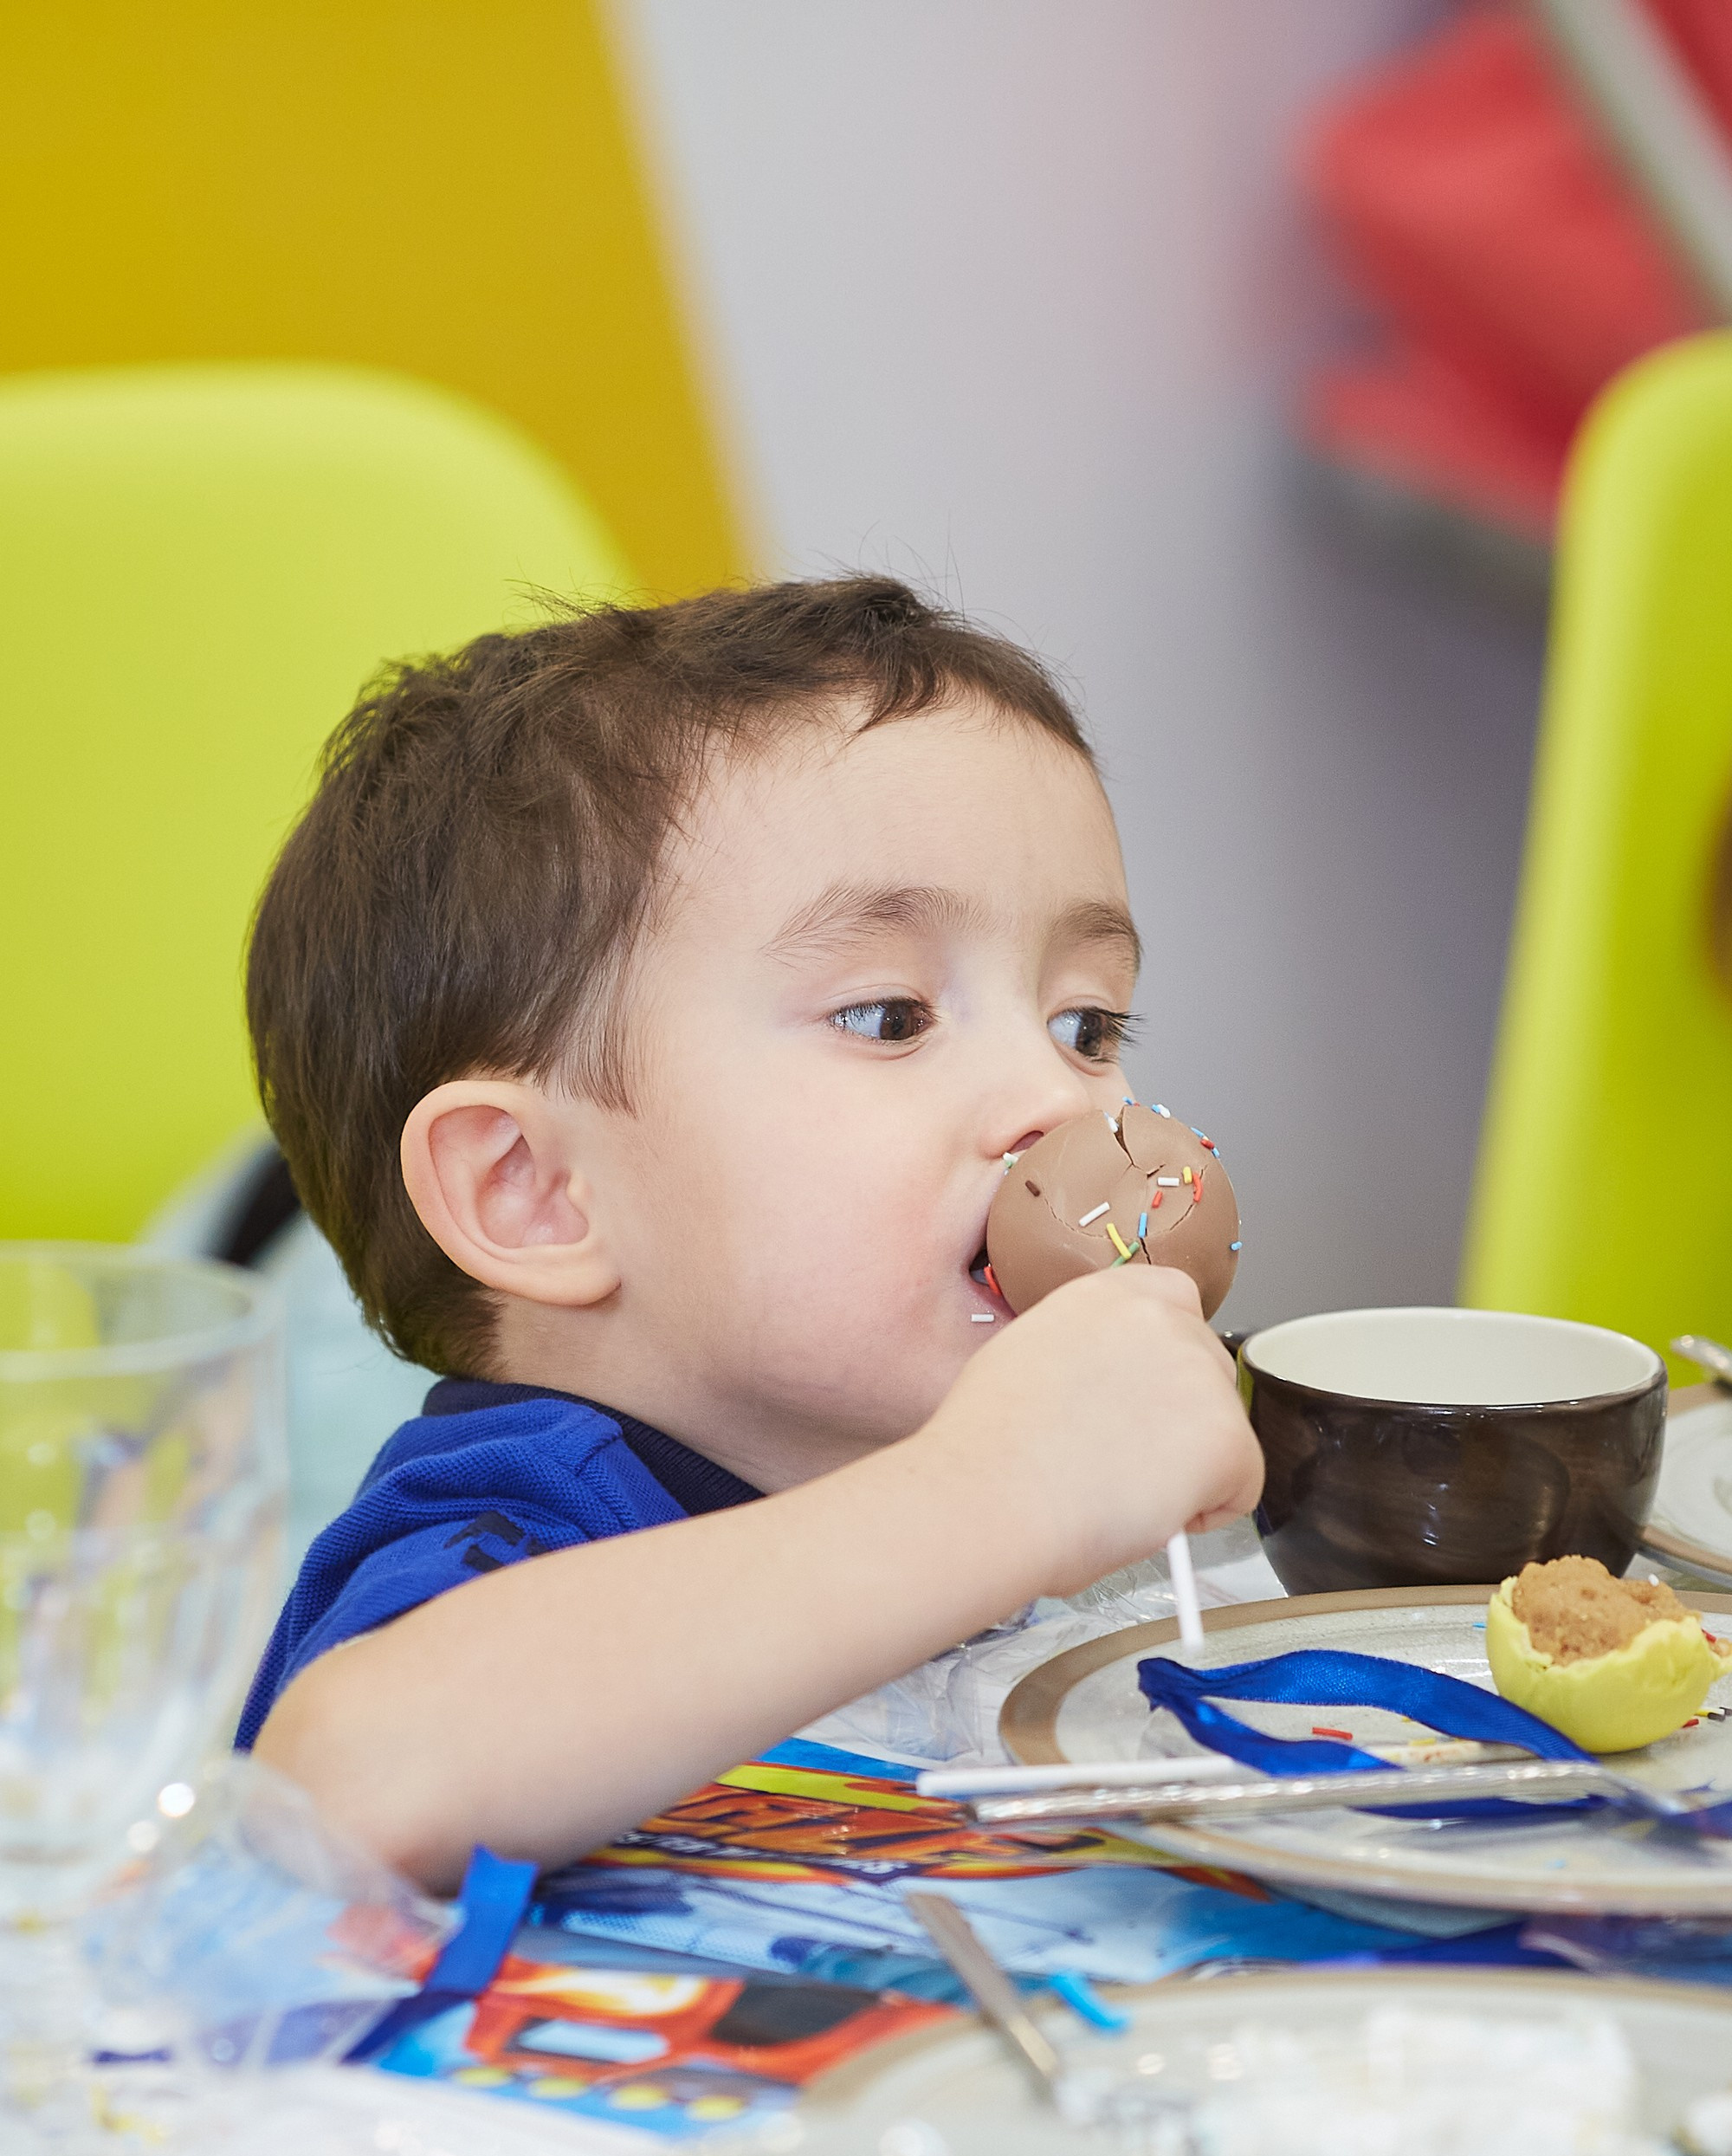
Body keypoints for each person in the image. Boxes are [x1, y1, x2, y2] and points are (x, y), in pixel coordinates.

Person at [242, 577, 1262, 1888]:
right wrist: (997, 1495)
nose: (1058, 1101)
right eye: (892, 1016)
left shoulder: (956, 1460)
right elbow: (351, 1780)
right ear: (537, 1193)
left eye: (1089, 1026)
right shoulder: (519, 1516)